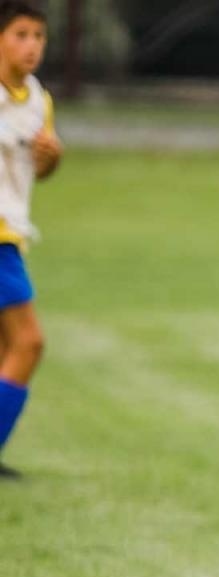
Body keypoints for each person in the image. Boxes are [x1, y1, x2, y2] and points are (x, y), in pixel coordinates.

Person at [0, 0, 58, 479]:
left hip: (12, 234)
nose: (31, 45)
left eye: (38, 36)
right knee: (29, 342)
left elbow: (42, 170)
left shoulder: (39, 100)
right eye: (20, 34)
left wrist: (51, 155)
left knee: (8, 348)